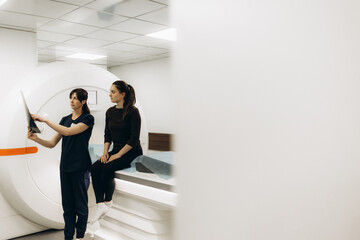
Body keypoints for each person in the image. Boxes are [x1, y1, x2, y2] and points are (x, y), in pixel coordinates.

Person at [27, 88, 94, 240]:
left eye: (76, 98)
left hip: (80, 167)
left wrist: (45, 120)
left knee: (81, 206)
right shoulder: (65, 119)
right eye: (71, 98)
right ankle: (68, 237)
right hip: (65, 167)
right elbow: (51, 143)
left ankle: (80, 237)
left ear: (83, 101)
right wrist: (36, 139)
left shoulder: (88, 119)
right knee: (68, 207)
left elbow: (68, 132)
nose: (72, 101)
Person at [90, 80, 142, 224]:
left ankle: (108, 201)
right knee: (95, 167)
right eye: (110, 92)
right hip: (116, 150)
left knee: (107, 167)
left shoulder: (133, 112)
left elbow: (134, 139)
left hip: (132, 152)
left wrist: (117, 156)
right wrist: (106, 153)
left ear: (123, 94)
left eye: (113, 92)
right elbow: (107, 134)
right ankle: (100, 204)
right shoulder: (110, 112)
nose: (110, 95)